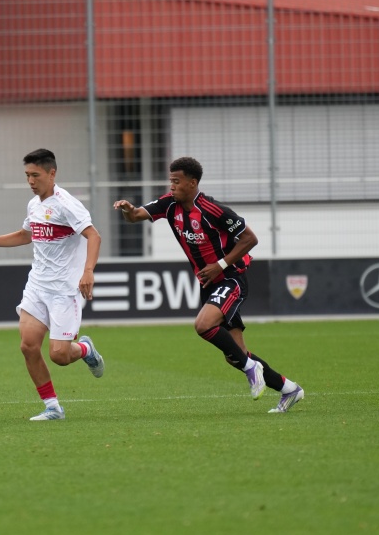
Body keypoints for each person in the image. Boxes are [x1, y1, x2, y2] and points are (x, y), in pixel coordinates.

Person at [114, 156, 304, 413]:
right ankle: (289, 389)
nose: (172, 186)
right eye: (170, 180)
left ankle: (252, 368)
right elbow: (135, 216)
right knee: (235, 354)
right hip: (209, 284)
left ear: (192, 183)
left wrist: (220, 265)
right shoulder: (169, 205)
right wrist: (127, 208)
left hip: (231, 278)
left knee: (203, 325)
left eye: (176, 181)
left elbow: (250, 239)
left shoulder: (214, 210)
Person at [0, 148, 104, 420]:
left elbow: (94, 236)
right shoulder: (34, 205)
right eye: (27, 176)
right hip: (37, 286)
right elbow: (25, 234)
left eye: (36, 175)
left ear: (52, 174)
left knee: (59, 356)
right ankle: (52, 407)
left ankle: (85, 349)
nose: (31, 181)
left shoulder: (67, 204)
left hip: (64, 290)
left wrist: (88, 271)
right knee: (28, 346)